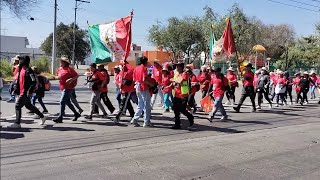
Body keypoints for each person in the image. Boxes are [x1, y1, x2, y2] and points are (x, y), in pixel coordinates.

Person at [7, 56, 46, 128]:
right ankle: (42, 117)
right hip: (21, 91)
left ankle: (17, 123)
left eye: (21, 60)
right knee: (28, 106)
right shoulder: (21, 69)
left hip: (25, 92)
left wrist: (30, 91)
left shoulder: (29, 70)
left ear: (24, 61)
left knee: (17, 106)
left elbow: (34, 81)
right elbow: (19, 81)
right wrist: (16, 90)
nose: (19, 61)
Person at [54, 57, 81, 123]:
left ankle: (60, 117)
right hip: (63, 87)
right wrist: (57, 77)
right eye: (60, 62)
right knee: (67, 102)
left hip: (68, 88)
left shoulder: (69, 69)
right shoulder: (59, 69)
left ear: (65, 63)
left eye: (62, 62)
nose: (60, 63)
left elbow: (77, 76)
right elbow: (57, 76)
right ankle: (76, 114)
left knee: (62, 101)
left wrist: (71, 79)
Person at [171, 61, 194, 130]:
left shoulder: (184, 74)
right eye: (176, 66)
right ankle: (177, 124)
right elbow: (174, 82)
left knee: (182, 109)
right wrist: (173, 83)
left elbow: (179, 81)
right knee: (175, 110)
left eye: (178, 66)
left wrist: (173, 80)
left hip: (183, 95)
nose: (177, 68)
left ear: (181, 67)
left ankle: (190, 116)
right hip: (176, 94)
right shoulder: (176, 74)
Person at [131, 56, 153, 127]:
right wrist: (151, 84)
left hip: (137, 87)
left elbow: (134, 79)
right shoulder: (144, 68)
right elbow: (144, 80)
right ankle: (146, 122)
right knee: (147, 105)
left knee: (140, 105)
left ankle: (135, 119)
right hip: (143, 87)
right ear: (145, 62)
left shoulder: (136, 68)